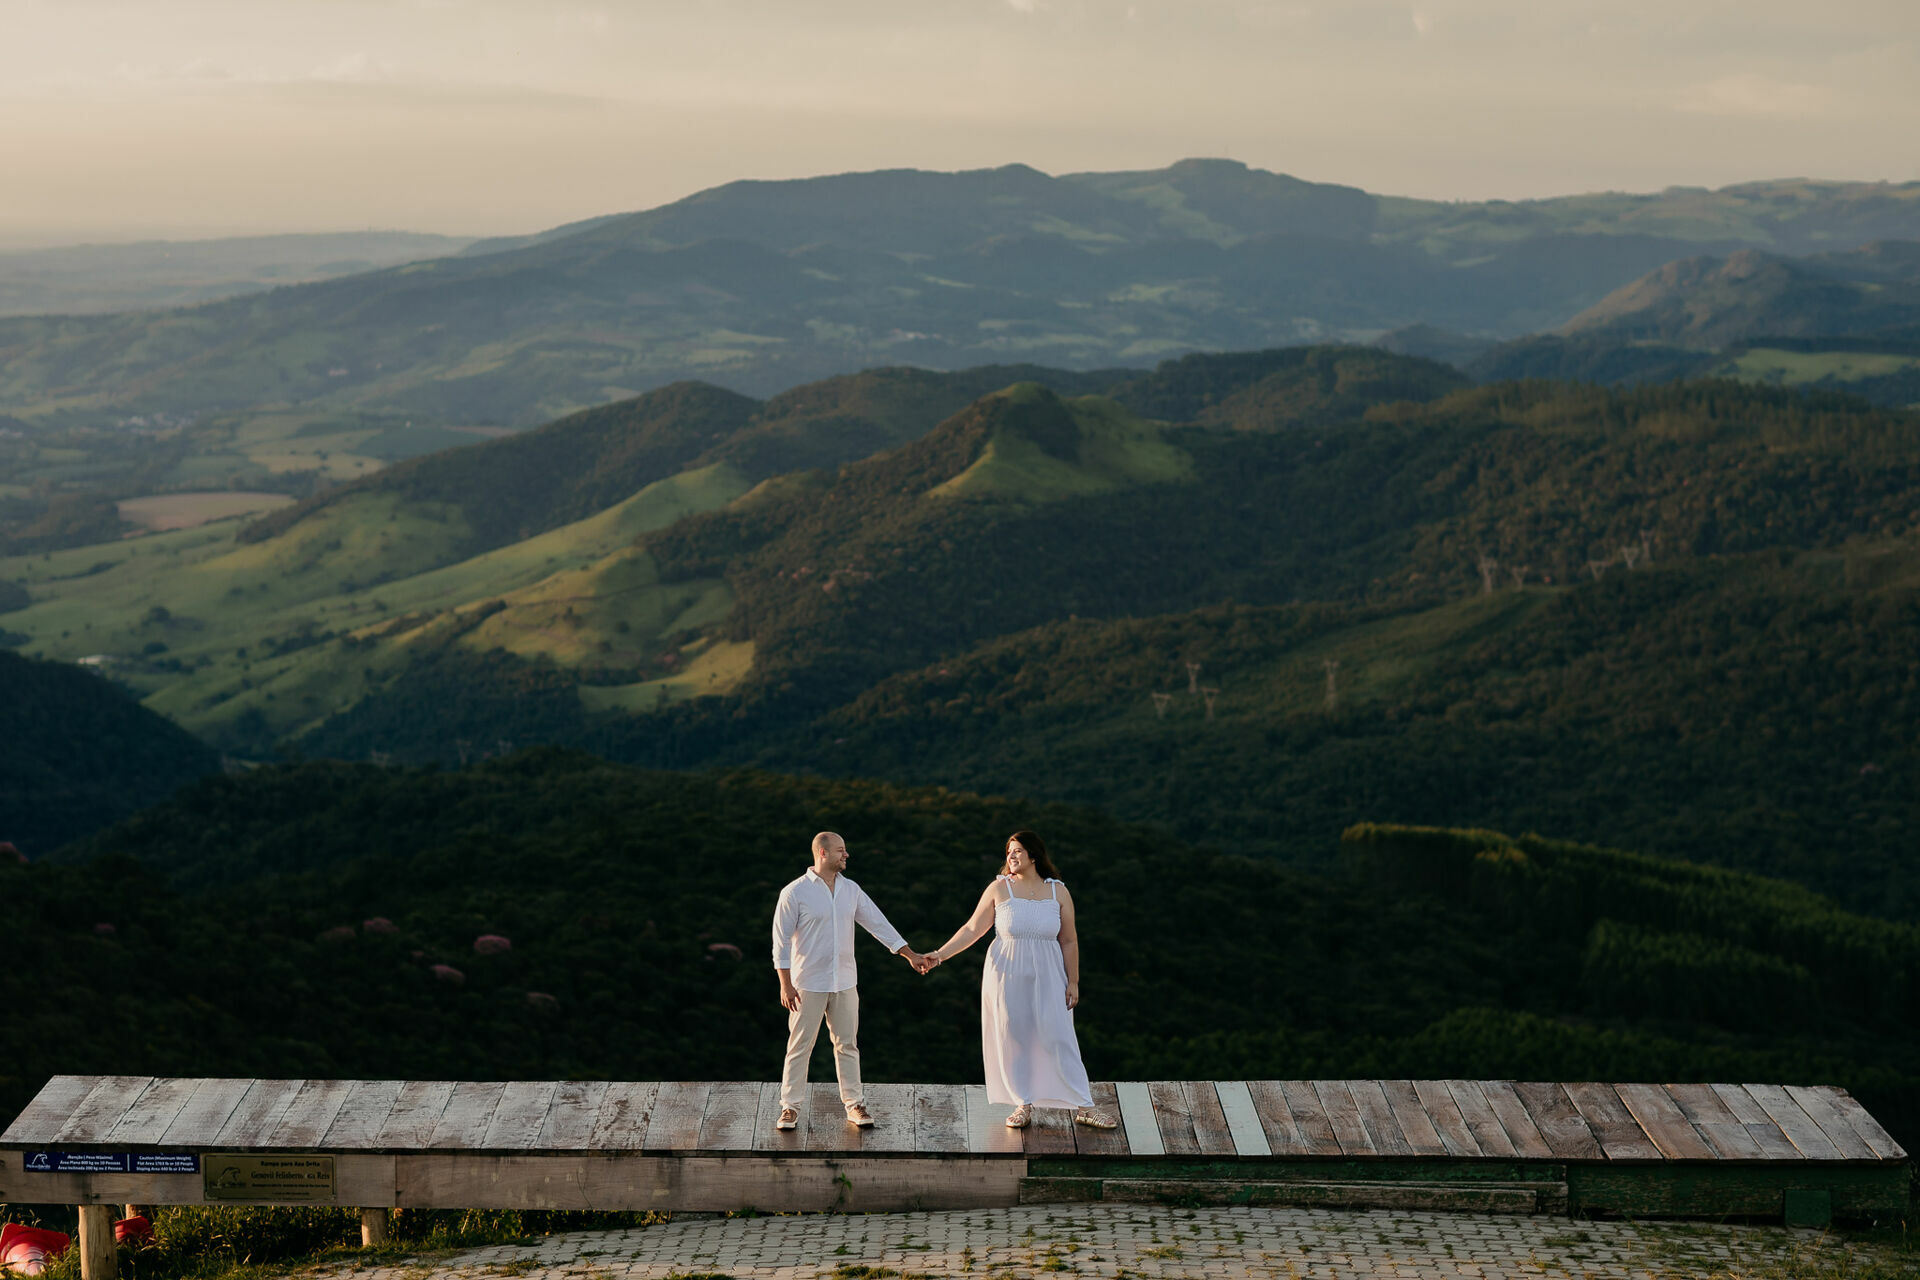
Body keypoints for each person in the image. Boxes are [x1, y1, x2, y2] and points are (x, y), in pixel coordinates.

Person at [918, 830, 1116, 1129]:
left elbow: (1069, 940)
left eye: (1018, 850)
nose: (1011, 855)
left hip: (1050, 974)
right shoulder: (999, 888)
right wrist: (939, 954)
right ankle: (1023, 1103)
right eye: (1009, 851)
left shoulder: (1058, 892)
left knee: (1059, 1036)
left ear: (1034, 855)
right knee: (1015, 1036)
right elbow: (972, 929)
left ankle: (1084, 1106)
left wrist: (1073, 981)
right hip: (1006, 973)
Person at [770, 831, 926, 1131]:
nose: (847, 855)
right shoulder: (794, 892)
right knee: (800, 1046)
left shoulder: (851, 889)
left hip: (845, 981)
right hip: (806, 984)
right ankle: (789, 1107)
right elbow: (781, 942)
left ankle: (854, 1105)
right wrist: (785, 984)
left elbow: (878, 923)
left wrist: (909, 954)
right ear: (823, 853)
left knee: (847, 1045)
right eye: (841, 850)